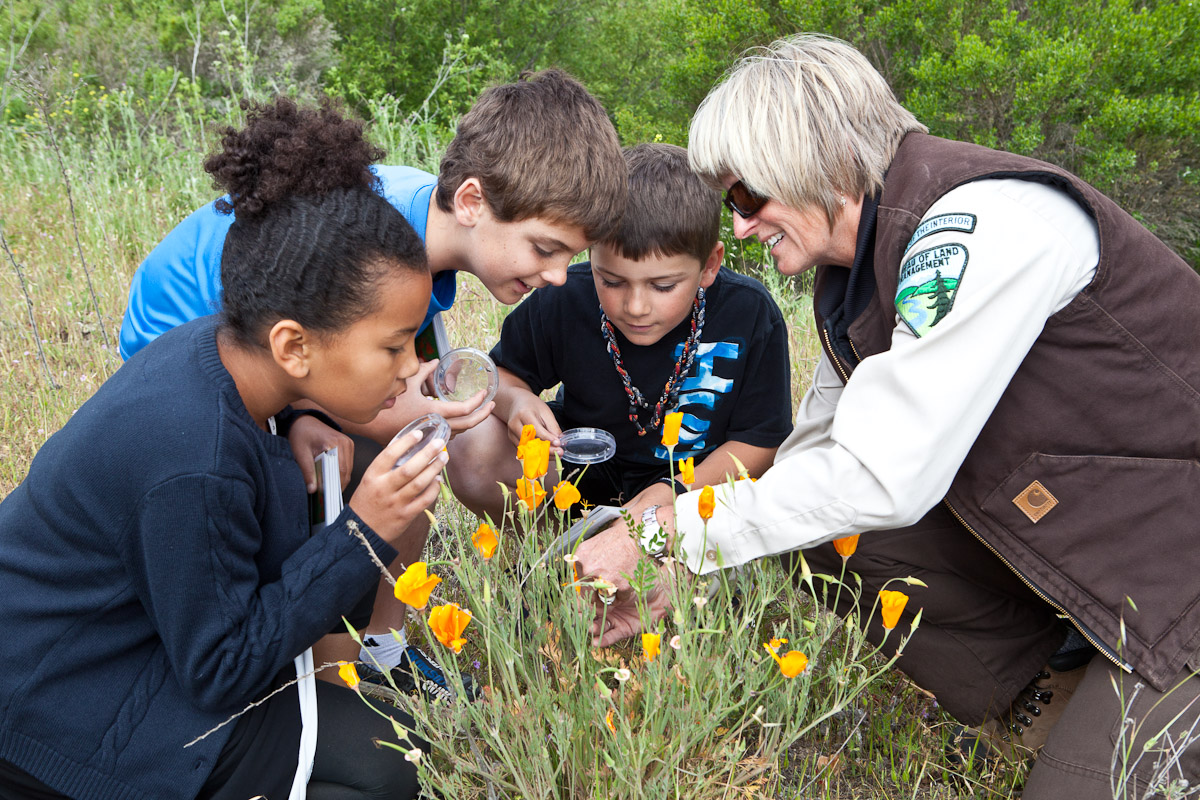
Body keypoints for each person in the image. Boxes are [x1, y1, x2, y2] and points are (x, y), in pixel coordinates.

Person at [573, 34, 1200, 798]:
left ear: (816, 161)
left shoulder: (980, 224)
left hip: (1177, 585)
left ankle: (1109, 735)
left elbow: (882, 475)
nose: (738, 227)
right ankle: (1055, 705)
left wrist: (661, 533)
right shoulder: (857, 276)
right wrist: (674, 567)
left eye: (746, 197)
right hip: (1108, 565)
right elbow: (814, 464)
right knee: (827, 531)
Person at [118, 74, 628, 698]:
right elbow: (313, 364)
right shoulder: (377, 243)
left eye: (570, 257)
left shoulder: (425, 217)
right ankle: (330, 675)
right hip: (192, 364)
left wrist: (502, 397)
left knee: (412, 447)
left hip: (287, 357)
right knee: (378, 455)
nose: (558, 275)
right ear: (471, 202)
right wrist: (312, 415)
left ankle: (382, 650)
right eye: (546, 248)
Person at [0, 98, 443, 799]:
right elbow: (221, 667)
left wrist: (299, 421)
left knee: (399, 746)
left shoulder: (219, 359)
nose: (408, 369)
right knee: (392, 768)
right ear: (293, 344)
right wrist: (366, 529)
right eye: (392, 346)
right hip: (55, 709)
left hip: (116, 646)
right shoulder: (192, 453)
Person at [448, 143, 792, 521]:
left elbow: (761, 441)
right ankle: (543, 547)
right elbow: (503, 375)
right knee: (472, 444)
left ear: (709, 265)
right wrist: (515, 401)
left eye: (663, 286)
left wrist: (674, 494)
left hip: (692, 490)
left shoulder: (749, 313)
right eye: (611, 281)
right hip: (578, 474)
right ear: (589, 254)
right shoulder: (565, 298)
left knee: (659, 582)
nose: (635, 306)